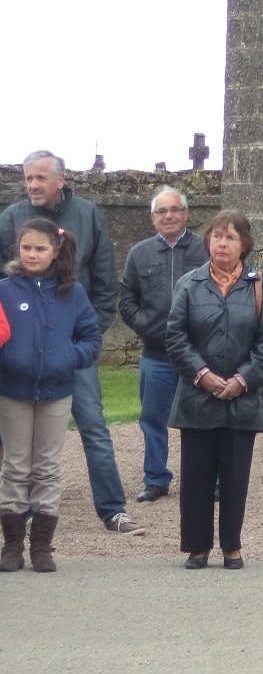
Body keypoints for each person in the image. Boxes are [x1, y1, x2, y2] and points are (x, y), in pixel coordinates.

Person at [0, 150, 143, 535]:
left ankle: (113, 511)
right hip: (19, 357)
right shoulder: (10, 219)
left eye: (40, 178)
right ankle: (23, 513)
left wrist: (77, 343)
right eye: (28, 178)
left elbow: (106, 284)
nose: (33, 185)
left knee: (94, 427)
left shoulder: (88, 215)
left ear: (61, 180)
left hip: (69, 355)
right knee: (18, 442)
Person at [166, 210, 263, 569]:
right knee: (196, 476)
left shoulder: (260, 288)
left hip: (243, 398)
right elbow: (175, 337)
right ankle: (197, 547)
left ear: (243, 245)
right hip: (197, 395)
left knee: (235, 477)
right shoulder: (189, 284)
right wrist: (201, 374)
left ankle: (232, 545)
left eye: (231, 237)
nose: (222, 243)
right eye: (217, 236)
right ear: (207, 242)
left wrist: (242, 380)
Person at [0, 220, 102, 572]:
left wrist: (69, 357)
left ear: (56, 252)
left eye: (40, 249)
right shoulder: (5, 290)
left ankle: (41, 546)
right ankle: (12, 545)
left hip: (57, 392)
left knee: (47, 467)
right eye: (26, 247)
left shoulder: (73, 293)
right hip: (12, 391)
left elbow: (91, 338)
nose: (31, 254)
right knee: (15, 466)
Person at [119, 186, 208, 502]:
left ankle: (207, 480)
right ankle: (156, 479)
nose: (168, 216)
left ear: (186, 213)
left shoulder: (205, 249)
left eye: (174, 210)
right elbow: (126, 300)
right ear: (152, 217)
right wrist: (145, 326)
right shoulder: (139, 254)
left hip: (199, 355)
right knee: (152, 420)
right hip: (156, 355)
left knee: (203, 420)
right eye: (161, 211)